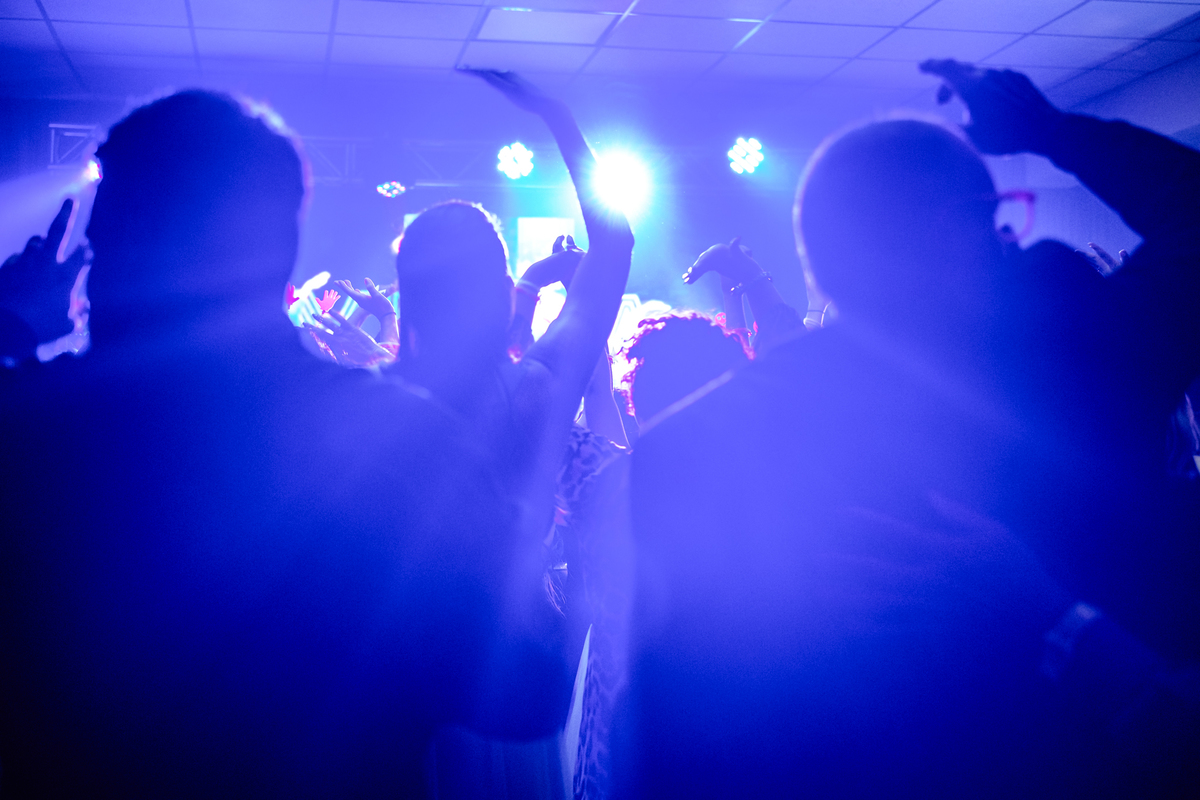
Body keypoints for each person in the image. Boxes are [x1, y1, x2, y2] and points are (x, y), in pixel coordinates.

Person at [615, 61, 1200, 797]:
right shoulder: (1086, 367)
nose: (1011, 242)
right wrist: (1051, 132)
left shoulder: (688, 446)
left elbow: (676, 738)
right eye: (994, 220)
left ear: (823, 263)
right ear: (958, 233)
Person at [0, 90, 571, 798]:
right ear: (280, 251)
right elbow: (526, 694)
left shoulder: (29, 426)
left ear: (108, 244)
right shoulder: (399, 437)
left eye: (102, 228)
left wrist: (10, 327)